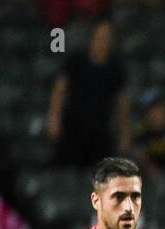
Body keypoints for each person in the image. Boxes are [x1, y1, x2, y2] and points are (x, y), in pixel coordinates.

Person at [47, 19, 128, 168]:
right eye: (99, 36)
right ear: (91, 37)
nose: (102, 41)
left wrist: (124, 133)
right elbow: (59, 89)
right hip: (72, 128)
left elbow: (122, 103)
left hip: (100, 130)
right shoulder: (76, 61)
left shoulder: (115, 68)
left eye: (106, 37)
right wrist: (54, 118)